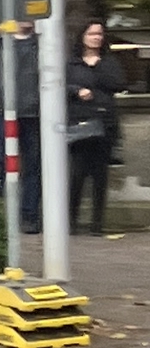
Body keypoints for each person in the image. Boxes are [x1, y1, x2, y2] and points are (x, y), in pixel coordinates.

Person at [0, 21, 42, 239]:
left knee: (33, 166)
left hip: (34, 115)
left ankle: (29, 216)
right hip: (4, 112)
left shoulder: (42, 43)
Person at [69, 18, 125, 237]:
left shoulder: (109, 62)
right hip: (79, 123)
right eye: (92, 34)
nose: (96, 38)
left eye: (99, 34)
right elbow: (61, 85)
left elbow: (118, 83)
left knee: (100, 176)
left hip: (105, 123)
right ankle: (71, 222)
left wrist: (97, 68)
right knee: (77, 174)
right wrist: (77, 90)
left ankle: (97, 224)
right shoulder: (72, 63)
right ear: (83, 36)